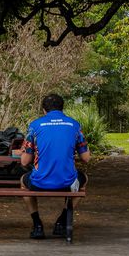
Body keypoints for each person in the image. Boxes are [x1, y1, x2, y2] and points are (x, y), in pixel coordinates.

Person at [19, 94, 91, 239]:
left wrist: (25, 150)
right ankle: (62, 220)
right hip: (67, 183)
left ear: (44, 110)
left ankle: (37, 224)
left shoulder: (35, 125)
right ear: (62, 108)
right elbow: (86, 158)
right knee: (83, 180)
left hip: (39, 183)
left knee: (23, 182)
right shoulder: (74, 125)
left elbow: (25, 162)